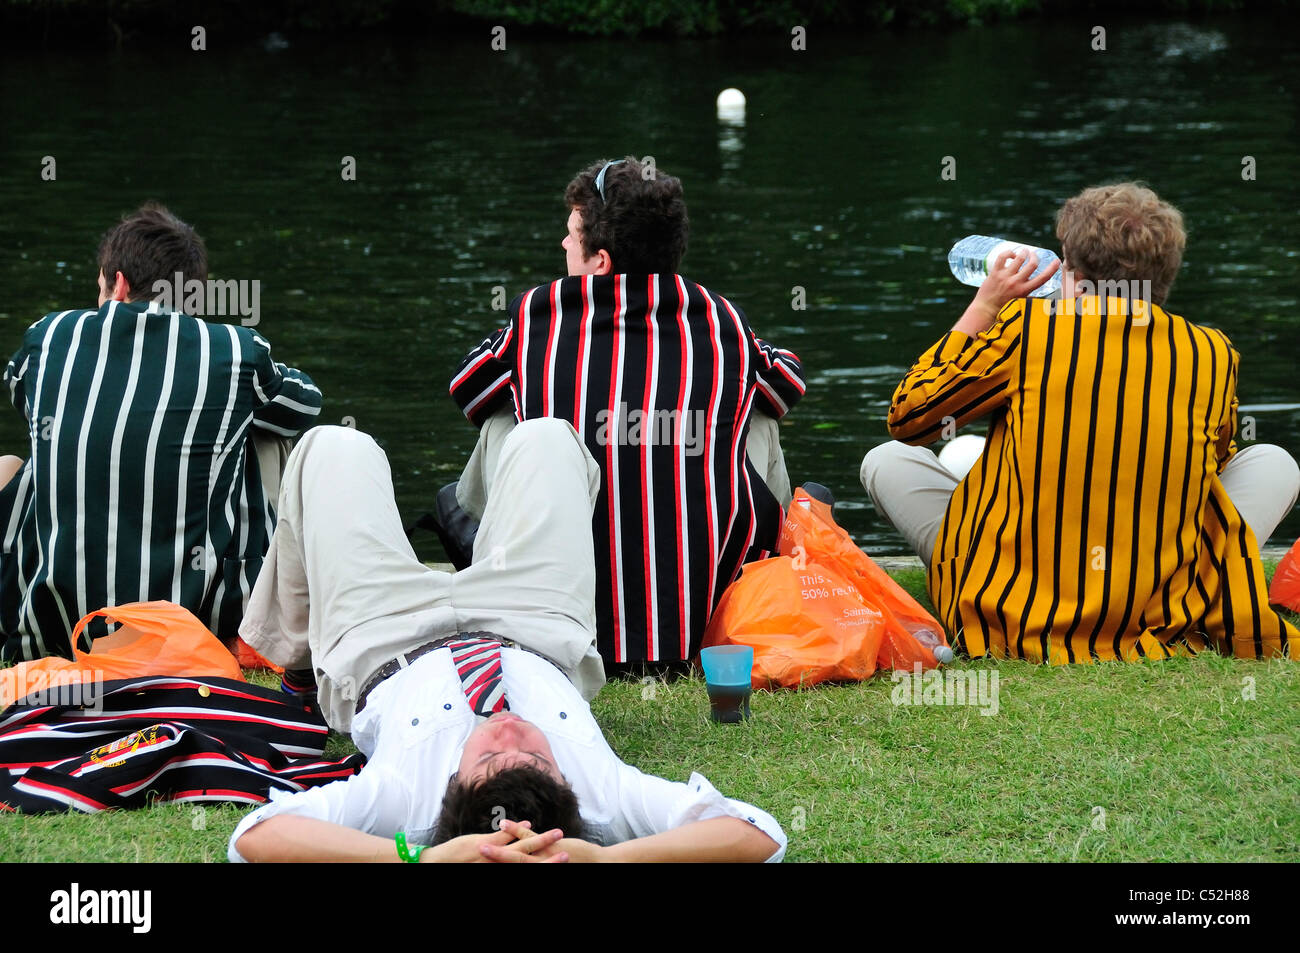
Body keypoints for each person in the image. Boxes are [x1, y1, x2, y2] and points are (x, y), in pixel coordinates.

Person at [229, 421, 786, 862]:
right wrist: (606, 860)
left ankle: (301, 671)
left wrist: (415, 860)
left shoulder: (406, 799)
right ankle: (470, 528)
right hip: (529, 623)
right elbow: (761, 834)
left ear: (452, 785)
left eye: (491, 755)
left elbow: (254, 837)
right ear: (566, 782)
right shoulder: (604, 795)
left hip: (384, 638)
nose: (512, 731)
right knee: (546, 437)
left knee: (334, 447)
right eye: (538, 759)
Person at [861, 183, 1299, 662]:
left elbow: (908, 417)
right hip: (1157, 604)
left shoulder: (1027, 329)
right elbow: (1210, 468)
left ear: (1075, 273)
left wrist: (984, 306)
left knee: (888, 460)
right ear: (1166, 275)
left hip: (1012, 609)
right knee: (1273, 461)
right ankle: (1202, 585)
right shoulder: (1211, 351)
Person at [447, 157, 806, 673]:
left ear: (600, 261)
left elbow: (468, 390)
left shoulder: (538, 314)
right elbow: (788, 382)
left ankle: (489, 568)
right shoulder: (722, 317)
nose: (564, 245)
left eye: (572, 235)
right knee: (759, 411)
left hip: (571, 627)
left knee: (506, 420)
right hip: (701, 634)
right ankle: (763, 580)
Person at [0, 204, 321, 661]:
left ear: (119, 283)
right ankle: (262, 622)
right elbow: (305, 402)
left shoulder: (46, 338)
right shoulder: (236, 349)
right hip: (192, 630)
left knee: (22, 459)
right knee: (262, 432)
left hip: (56, 631)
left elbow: (26, 402)